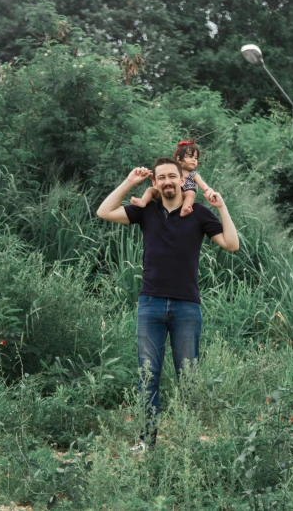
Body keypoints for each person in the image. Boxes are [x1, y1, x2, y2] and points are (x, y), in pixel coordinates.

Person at [96, 157, 239, 450]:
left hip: (187, 306)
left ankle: (187, 444)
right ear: (155, 183)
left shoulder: (198, 213)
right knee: (148, 376)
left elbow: (231, 243)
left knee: (188, 377)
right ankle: (147, 443)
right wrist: (130, 182)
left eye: (172, 176)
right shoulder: (145, 211)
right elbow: (104, 211)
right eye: (161, 178)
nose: (167, 182)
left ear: (181, 179)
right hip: (150, 305)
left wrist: (221, 207)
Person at [130, 140, 214, 217]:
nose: (194, 160)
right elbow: (159, 180)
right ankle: (143, 201)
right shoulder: (173, 171)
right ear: (179, 159)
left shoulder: (193, 174)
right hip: (170, 194)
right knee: (150, 190)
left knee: (190, 193)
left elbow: (203, 185)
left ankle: (186, 207)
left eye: (195, 158)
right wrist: (149, 176)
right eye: (190, 157)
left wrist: (209, 190)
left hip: (184, 197)